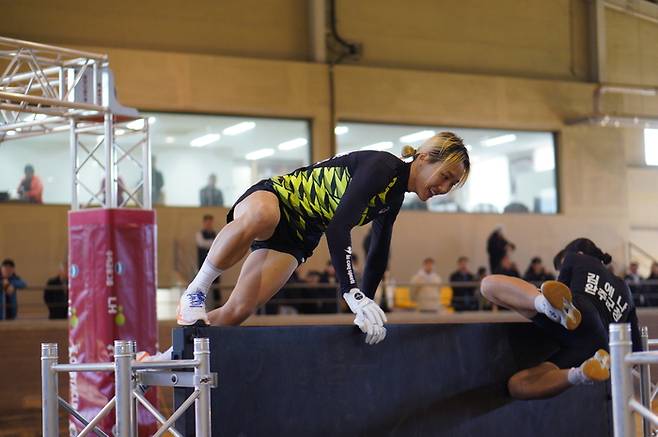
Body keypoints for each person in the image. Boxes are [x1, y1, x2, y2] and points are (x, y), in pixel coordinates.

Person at [177, 132, 470, 345]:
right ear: (423, 158)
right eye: (444, 176)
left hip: (300, 235)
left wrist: (365, 303)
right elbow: (339, 225)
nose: (444, 188)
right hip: (278, 198)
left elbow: (379, 251)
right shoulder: (383, 167)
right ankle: (196, 290)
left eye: (452, 184)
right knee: (262, 216)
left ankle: (171, 354)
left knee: (238, 311)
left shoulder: (393, 199)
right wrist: (351, 292)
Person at [480, 238, 640, 400]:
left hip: (580, 311)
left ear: (578, 253)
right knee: (516, 386)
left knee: (488, 285)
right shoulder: (625, 289)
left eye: (560, 267)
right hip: (598, 347)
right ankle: (581, 373)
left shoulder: (576, 257)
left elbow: (559, 288)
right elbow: (636, 351)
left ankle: (546, 306)